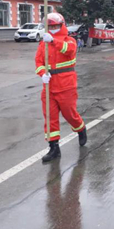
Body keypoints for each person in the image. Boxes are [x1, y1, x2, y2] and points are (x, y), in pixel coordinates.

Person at [35, 13, 86, 163]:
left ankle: (80, 128)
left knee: (70, 114)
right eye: (50, 27)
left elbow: (68, 50)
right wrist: (42, 74)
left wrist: (53, 41)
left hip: (66, 85)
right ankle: (54, 148)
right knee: (50, 117)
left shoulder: (69, 40)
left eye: (56, 26)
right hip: (49, 86)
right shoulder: (43, 44)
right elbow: (38, 62)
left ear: (62, 25)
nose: (53, 29)